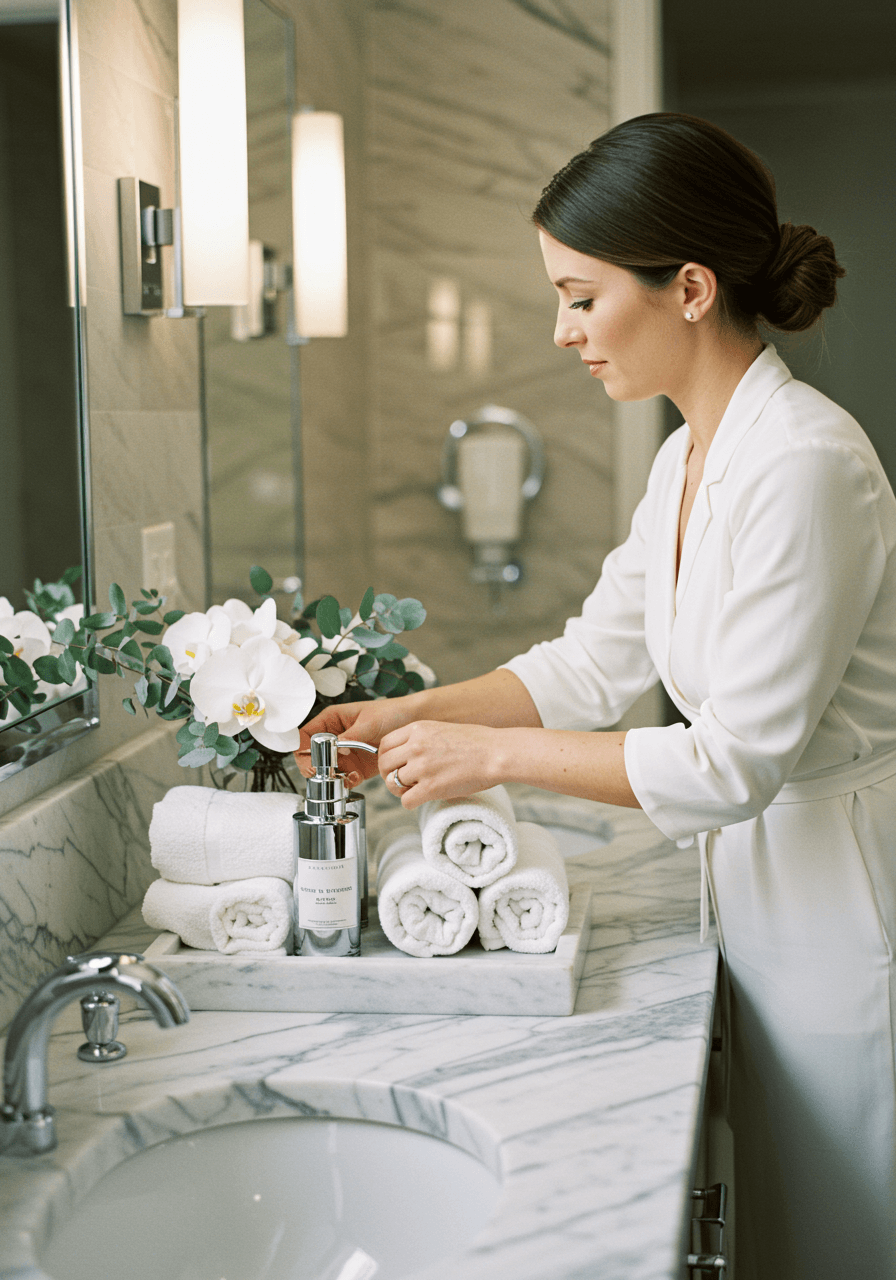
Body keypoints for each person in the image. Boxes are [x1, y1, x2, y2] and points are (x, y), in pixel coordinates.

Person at [297, 113, 896, 1279]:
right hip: (750, 891)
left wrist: (491, 761)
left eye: (578, 296)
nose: (561, 330)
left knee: (840, 1229)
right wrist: (412, 719)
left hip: (838, 903)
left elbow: (731, 762)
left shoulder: (807, 465)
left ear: (685, 286)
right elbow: (592, 659)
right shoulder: (685, 454)